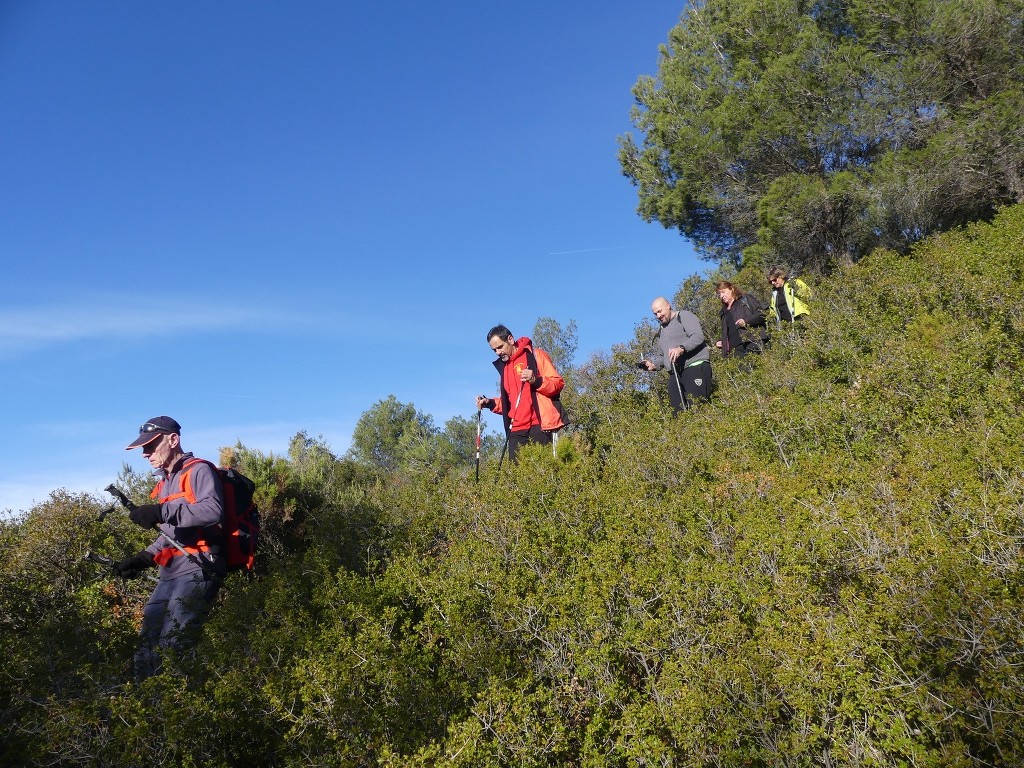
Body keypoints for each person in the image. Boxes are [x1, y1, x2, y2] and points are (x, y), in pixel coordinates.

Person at [117, 416, 226, 680]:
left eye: (151, 446)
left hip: (200, 565)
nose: (146, 454)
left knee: (175, 642)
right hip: (172, 571)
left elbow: (213, 511)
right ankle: (145, 703)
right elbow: (171, 532)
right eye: (143, 449)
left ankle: (181, 710)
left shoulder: (199, 470)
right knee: (147, 641)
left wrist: (160, 510)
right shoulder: (166, 482)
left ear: (173, 440)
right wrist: (143, 558)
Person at [476, 325, 567, 463]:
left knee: (544, 474)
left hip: (540, 426)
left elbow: (557, 384)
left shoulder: (535, 355)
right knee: (518, 481)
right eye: (494, 350)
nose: (497, 352)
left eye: (500, 347)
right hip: (516, 431)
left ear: (510, 339)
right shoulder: (505, 367)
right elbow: (510, 404)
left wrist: (536, 381)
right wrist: (489, 403)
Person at [643, 297, 711, 413]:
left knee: (698, 407)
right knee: (678, 413)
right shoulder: (662, 330)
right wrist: (653, 364)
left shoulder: (684, 316)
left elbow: (698, 336)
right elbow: (662, 356)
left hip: (695, 366)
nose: (658, 316)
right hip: (675, 374)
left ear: (668, 306)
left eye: (660, 311)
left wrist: (681, 348)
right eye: (655, 314)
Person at [715, 281, 769, 358]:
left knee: (755, 368)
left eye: (723, 292)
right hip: (734, 351)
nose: (721, 296)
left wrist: (746, 321)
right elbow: (729, 331)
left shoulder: (745, 299)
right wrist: (721, 341)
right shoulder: (723, 312)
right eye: (719, 294)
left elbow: (761, 314)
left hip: (752, 342)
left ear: (732, 289)